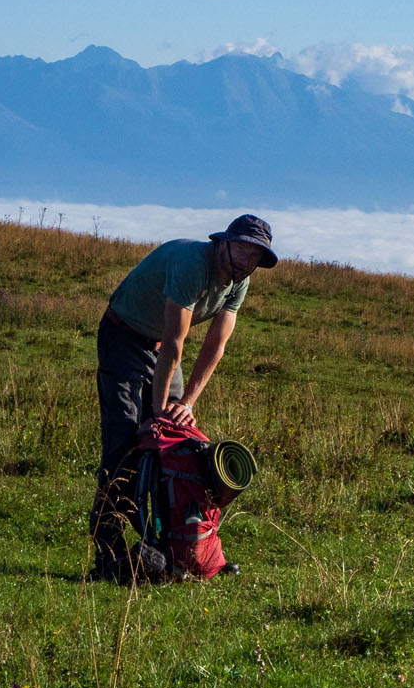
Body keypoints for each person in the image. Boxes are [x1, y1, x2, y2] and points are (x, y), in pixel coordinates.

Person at [88, 213, 277, 583]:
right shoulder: (193, 264)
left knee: (177, 445)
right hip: (123, 337)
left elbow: (216, 346)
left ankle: (175, 553)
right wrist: (160, 413)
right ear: (224, 242)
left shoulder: (240, 280)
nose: (246, 259)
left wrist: (185, 404)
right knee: (124, 444)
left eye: (255, 255)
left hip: (158, 347)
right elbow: (177, 341)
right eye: (241, 248)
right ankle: (107, 558)